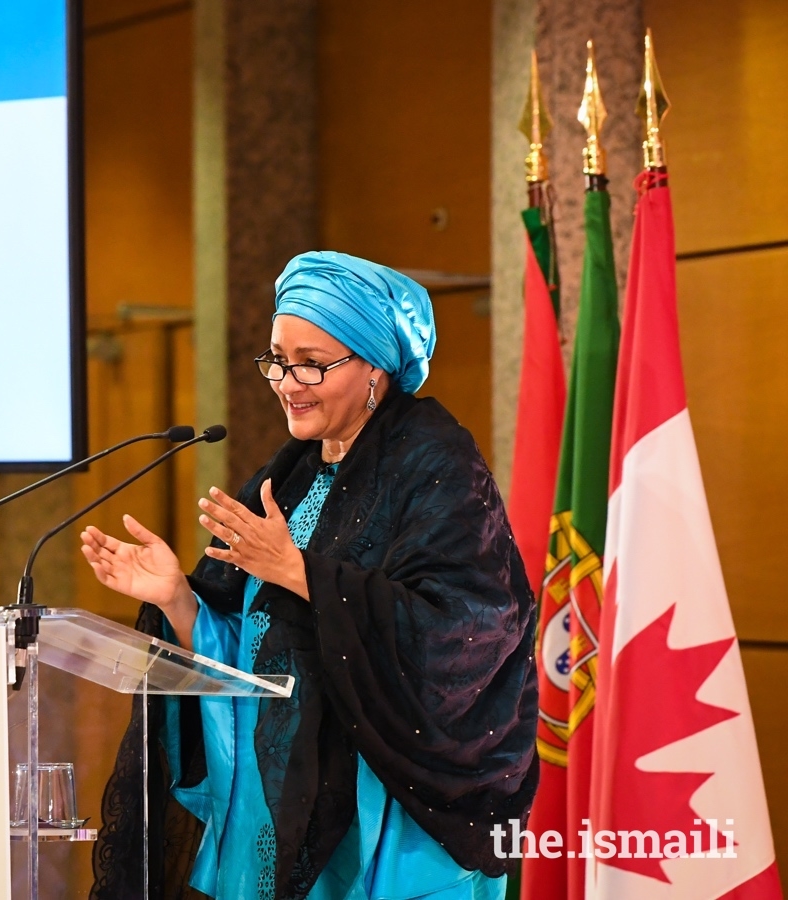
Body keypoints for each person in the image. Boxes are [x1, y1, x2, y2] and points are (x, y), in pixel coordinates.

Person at [83, 252, 539, 900]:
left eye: (312, 364)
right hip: (280, 797)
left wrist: (304, 574)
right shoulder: (291, 473)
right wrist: (180, 600)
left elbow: (472, 632)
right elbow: (253, 641)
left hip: (386, 818)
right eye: (276, 359)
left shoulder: (435, 463)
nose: (287, 382)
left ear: (375, 365)